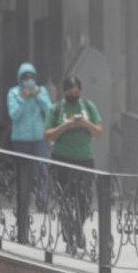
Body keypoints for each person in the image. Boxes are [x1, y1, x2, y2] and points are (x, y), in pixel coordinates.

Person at [44, 76, 103, 254]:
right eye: (71, 93)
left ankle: (77, 228)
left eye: (77, 92)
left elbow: (98, 131)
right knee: (66, 200)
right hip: (62, 159)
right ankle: (69, 236)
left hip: (84, 159)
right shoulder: (56, 109)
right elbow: (48, 134)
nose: (74, 95)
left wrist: (85, 123)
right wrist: (66, 125)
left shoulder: (88, 106)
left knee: (84, 200)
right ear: (64, 92)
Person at [7, 62, 53, 208]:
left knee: (42, 169)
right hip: (21, 139)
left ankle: (42, 200)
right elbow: (14, 115)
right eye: (25, 77)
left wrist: (38, 96)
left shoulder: (41, 91)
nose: (29, 80)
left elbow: (50, 110)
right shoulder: (13, 93)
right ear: (20, 78)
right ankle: (23, 200)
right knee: (23, 171)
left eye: (31, 77)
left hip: (38, 138)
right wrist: (24, 99)